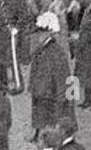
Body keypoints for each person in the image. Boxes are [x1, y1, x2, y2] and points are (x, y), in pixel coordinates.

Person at [29, 12, 73, 141]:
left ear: (49, 32)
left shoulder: (56, 52)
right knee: (39, 112)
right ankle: (38, 134)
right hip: (41, 90)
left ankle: (52, 136)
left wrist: (64, 97)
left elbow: (63, 78)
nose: (37, 36)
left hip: (50, 92)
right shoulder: (41, 49)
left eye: (41, 32)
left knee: (52, 115)